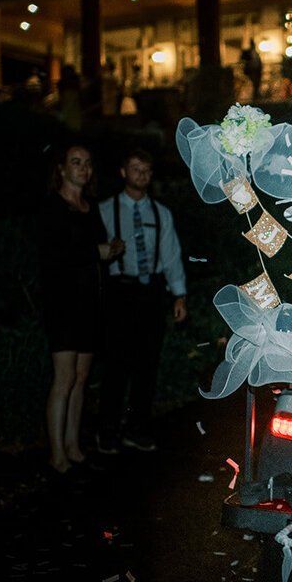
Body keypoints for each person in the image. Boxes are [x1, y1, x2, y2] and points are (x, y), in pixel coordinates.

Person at [36, 144, 125, 473]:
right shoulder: (51, 208)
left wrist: (111, 248)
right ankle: (56, 452)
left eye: (87, 163)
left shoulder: (90, 207)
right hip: (62, 302)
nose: (83, 168)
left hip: (90, 302)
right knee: (63, 378)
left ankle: (72, 444)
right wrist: (96, 251)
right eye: (75, 162)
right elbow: (55, 255)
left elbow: (95, 248)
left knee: (81, 377)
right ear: (61, 169)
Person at [96, 147, 188, 453]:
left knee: (146, 365)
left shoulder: (161, 214)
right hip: (118, 291)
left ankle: (136, 428)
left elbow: (172, 255)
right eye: (136, 169)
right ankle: (107, 430)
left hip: (150, 294)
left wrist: (179, 295)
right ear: (123, 173)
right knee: (116, 364)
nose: (142, 175)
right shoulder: (105, 210)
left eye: (147, 170)